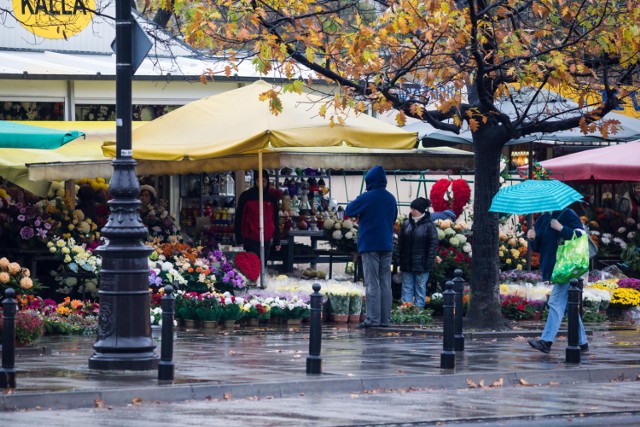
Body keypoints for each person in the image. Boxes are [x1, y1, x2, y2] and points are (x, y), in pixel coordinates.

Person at [527, 207, 589, 354]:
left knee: (555, 302)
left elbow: (580, 236)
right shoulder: (542, 219)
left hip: (567, 268)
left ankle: (546, 341)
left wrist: (561, 228)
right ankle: (583, 343)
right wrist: (532, 238)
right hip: (554, 269)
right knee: (569, 307)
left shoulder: (568, 214)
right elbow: (539, 247)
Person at [345, 165, 397, 328]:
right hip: (387, 245)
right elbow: (394, 217)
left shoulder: (367, 197)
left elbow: (349, 210)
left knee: (372, 282)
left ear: (369, 181)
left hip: (370, 245)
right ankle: (384, 320)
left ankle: (373, 319)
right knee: (385, 282)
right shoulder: (391, 198)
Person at [398, 197, 438, 308]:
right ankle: (406, 309)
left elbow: (432, 246)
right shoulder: (406, 224)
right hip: (407, 262)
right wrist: (399, 259)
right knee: (407, 286)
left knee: (420, 287)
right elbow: (400, 243)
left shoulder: (430, 226)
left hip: (422, 263)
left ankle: (419, 310)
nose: (411, 211)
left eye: (414, 209)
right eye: (411, 209)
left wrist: (429, 262)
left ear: (420, 210)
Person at [234, 169, 281, 265]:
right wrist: (240, 239)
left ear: (267, 181)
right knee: (251, 265)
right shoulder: (246, 196)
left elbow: (275, 219)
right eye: (258, 181)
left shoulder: (271, 198)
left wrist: (277, 240)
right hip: (250, 238)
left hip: (266, 238)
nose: (261, 184)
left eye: (263, 181)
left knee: (263, 266)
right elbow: (239, 219)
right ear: (255, 181)